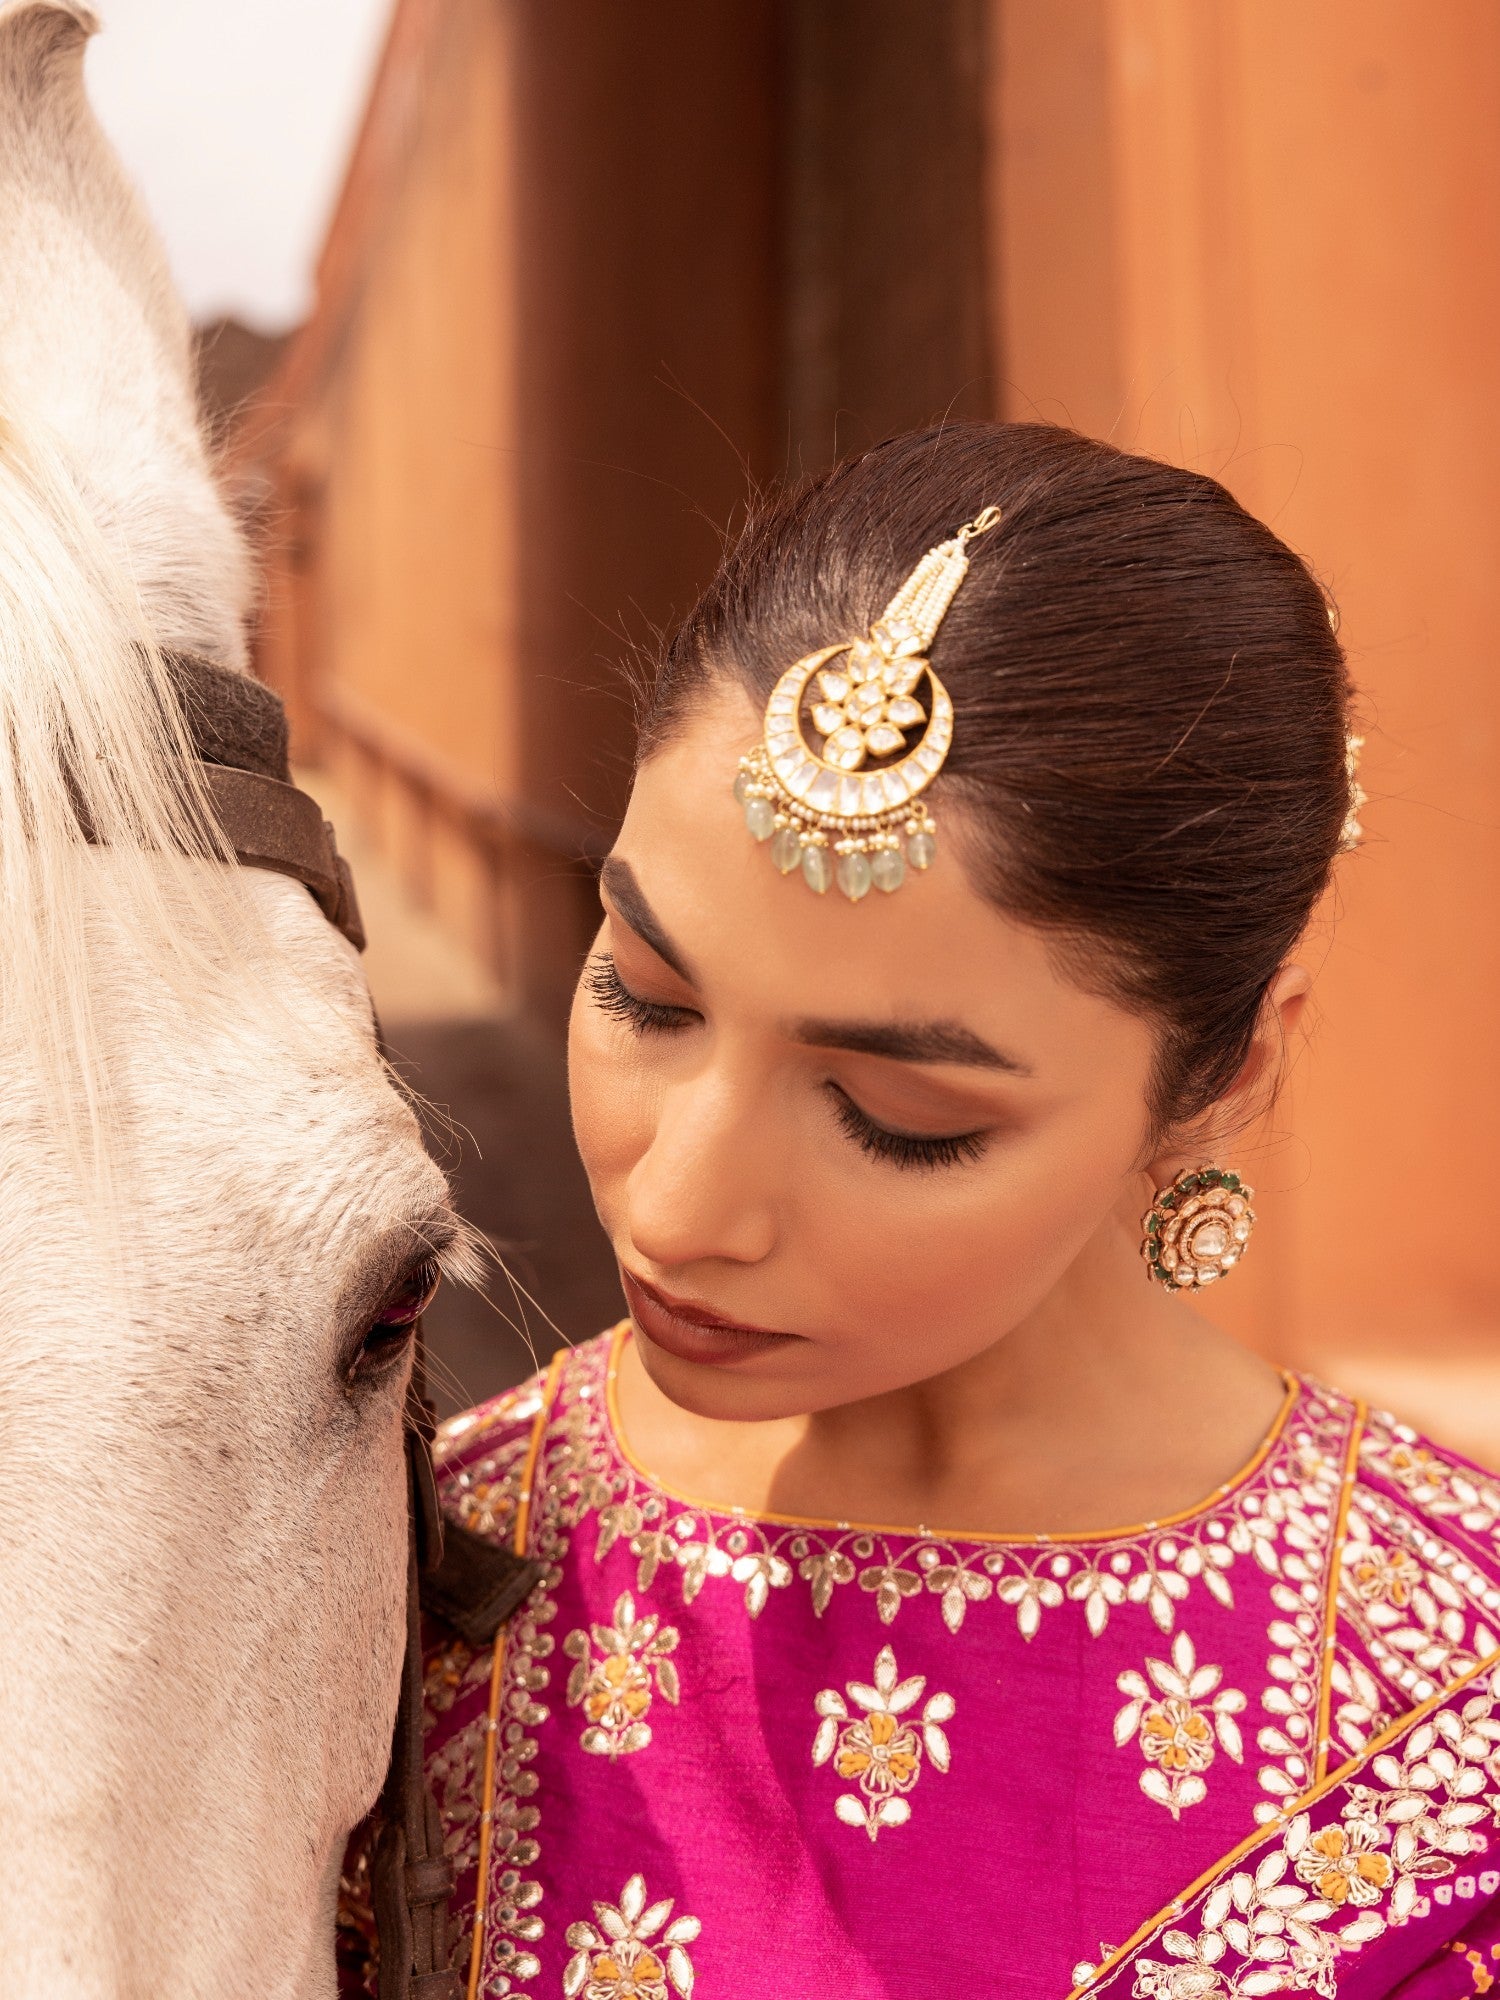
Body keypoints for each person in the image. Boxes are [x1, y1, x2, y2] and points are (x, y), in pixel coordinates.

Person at [345, 424, 1500, 1998]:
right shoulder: (410, 1592)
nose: (679, 1207)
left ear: (1224, 1076)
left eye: (899, 1118)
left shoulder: (1448, 1719)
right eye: (644, 996)